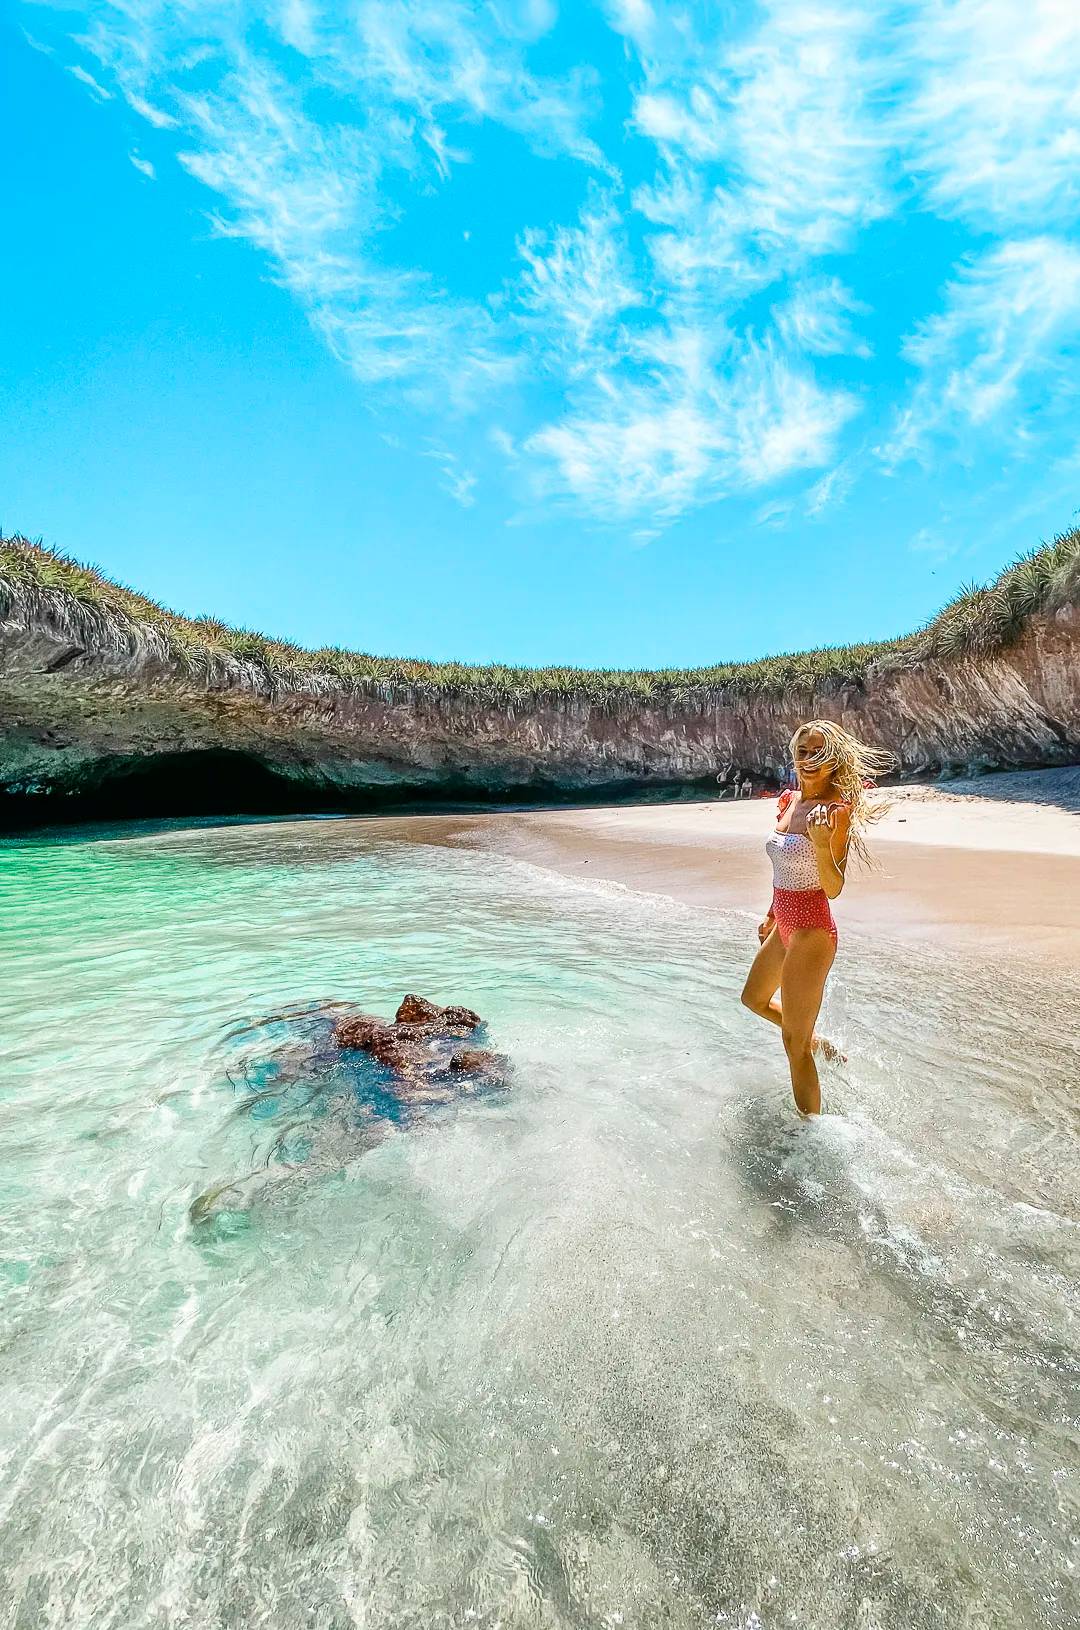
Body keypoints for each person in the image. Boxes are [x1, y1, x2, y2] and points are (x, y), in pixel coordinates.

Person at [739, 719, 894, 1116]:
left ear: (833, 760)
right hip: (784, 924)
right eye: (802, 751)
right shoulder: (789, 800)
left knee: (792, 1046)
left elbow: (833, 886)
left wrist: (824, 844)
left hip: (812, 932)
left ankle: (811, 1134)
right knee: (753, 999)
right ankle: (817, 1041)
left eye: (817, 753)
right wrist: (771, 914)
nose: (808, 760)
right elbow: (784, 867)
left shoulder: (834, 811)